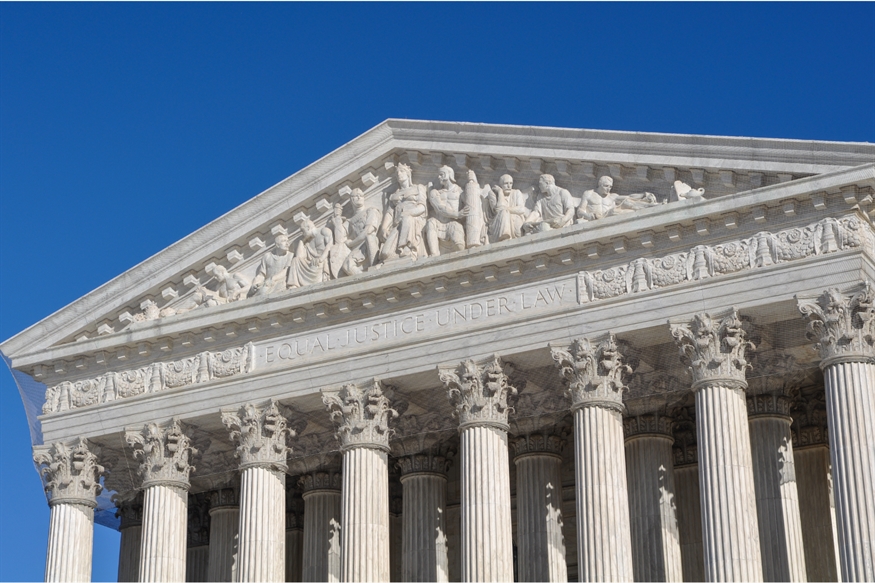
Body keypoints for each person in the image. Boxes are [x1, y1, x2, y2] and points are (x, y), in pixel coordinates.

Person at [379, 164, 428, 260]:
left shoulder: (418, 188)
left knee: (407, 219)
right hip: (398, 225)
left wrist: (408, 213)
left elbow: (422, 207)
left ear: (408, 174)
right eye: (397, 172)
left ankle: (407, 247)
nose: (398, 174)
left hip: (414, 221)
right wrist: (384, 228)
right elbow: (389, 213)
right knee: (385, 253)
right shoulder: (394, 195)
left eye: (402, 171)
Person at [425, 165, 468, 256]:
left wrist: (473, 182)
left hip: (453, 223)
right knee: (430, 222)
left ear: (449, 175)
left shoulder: (460, 191)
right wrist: (457, 214)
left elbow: (471, 205)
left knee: (459, 247)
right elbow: (439, 208)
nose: (438, 177)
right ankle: (434, 254)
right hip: (439, 223)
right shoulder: (436, 192)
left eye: (441, 174)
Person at [578, 176, 658, 221]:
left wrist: (643, 195)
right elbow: (580, 211)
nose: (608, 189)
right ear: (599, 184)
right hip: (594, 220)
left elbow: (630, 197)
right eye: (606, 186)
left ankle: (652, 206)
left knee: (627, 203)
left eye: (610, 187)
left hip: (608, 217)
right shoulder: (589, 193)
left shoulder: (612, 196)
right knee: (614, 211)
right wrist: (588, 215)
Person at [341, 188, 382, 275]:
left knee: (370, 237)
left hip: (369, 243)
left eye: (361, 195)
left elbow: (368, 231)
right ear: (351, 200)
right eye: (356, 196)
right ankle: (365, 279)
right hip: (358, 248)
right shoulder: (349, 221)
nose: (359, 197)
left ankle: (375, 269)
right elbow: (340, 237)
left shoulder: (371, 211)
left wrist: (351, 243)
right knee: (347, 265)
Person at [288, 218, 333, 288]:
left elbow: (329, 247)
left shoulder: (324, 231)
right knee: (295, 260)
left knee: (316, 265)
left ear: (308, 228)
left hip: (321, 261)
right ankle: (293, 285)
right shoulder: (307, 242)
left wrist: (321, 259)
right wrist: (302, 241)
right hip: (310, 264)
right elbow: (299, 256)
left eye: (303, 231)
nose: (302, 234)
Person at [486, 174, 530, 241]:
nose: (509, 186)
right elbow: (498, 210)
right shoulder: (493, 194)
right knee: (503, 213)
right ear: (500, 185)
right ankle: (504, 236)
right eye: (506, 183)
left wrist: (506, 209)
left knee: (506, 213)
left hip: (516, 222)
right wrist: (500, 193)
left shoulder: (516, 192)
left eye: (511, 183)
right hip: (497, 224)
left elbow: (521, 209)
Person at [326, 202, 350, 279]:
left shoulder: (341, 220)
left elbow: (340, 236)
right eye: (336, 210)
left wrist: (336, 221)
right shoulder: (335, 220)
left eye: (338, 210)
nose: (336, 211)